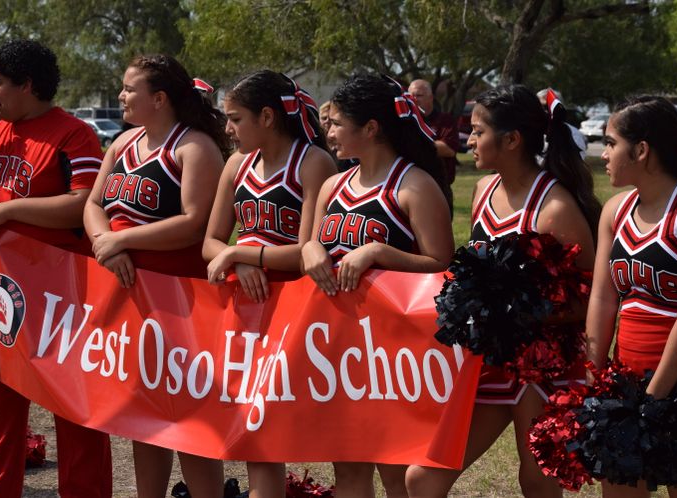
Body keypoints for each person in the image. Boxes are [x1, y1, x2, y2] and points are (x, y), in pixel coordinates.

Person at [406, 84, 600, 498]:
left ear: (511, 140)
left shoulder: (555, 209)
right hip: (489, 360)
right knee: (423, 479)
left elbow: (592, 300)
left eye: (477, 131)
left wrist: (517, 310)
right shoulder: (482, 191)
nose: (469, 140)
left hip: (542, 366)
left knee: (536, 484)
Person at [0, 39, 112, 498]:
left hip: (58, 293)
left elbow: (84, 204)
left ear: (28, 85)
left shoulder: (73, 133)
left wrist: (12, 210)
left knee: (74, 406)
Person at [301, 73, 454, 498]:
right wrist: (310, 251)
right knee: (348, 470)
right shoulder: (333, 184)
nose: (327, 131)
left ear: (370, 128)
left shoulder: (414, 185)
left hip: (394, 355)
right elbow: (312, 245)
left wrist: (379, 253)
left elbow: (443, 264)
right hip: (338, 347)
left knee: (395, 473)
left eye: (335, 122)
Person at [83, 54, 228, 498]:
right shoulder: (121, 143)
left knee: (191, 425)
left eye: (129, 89)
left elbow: (195, 223)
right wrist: (106, 243)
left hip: (182, 306)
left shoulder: (194, 147)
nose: (121, 96)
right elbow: (93, 205)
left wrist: (124, 242)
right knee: (142, 419)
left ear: (159, 98)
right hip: (127, 299)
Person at [202, 69, 336, 497]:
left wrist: (243, 253)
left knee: (284, 429)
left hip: (297, 313)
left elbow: (309, 252)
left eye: (235, 118)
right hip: (243, 312)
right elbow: (209, 241)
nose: (227, 127)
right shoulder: (236, 164)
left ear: (266, 117)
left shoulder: (313, 162)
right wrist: (236, 262)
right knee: (254, 434)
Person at [586, 96, 677, 498]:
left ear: (641, 150)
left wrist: (655, 396)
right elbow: (603, 298)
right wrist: (594, 372)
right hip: (626, 380)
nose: (605, 153)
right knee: (620, 490)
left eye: (611, 143)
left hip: (675, 382)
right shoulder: (614, 211)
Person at [408, 79, 459, 213]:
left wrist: (413, 144)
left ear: (431, 97)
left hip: (439, 187)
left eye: (419, 95)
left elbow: (448, 149)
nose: (414, 99)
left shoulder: (445, 120)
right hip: (410, 187)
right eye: (410, 96)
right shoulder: (405, 122)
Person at [536, 88, 587, 159]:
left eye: (547, 107)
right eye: (539, 107)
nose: (544, 112)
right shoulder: (532, 133)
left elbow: (574, 165)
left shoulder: (573, 135)